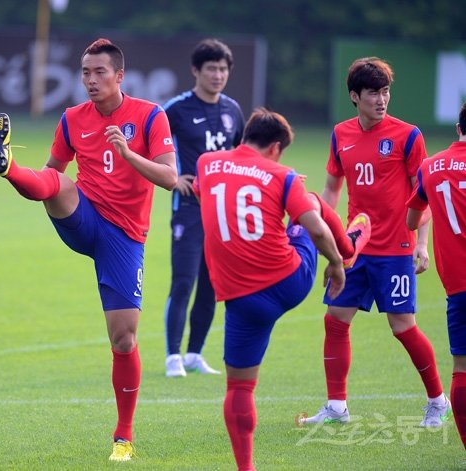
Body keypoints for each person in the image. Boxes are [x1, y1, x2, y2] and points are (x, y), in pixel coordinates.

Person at [0, 38, 177, 462]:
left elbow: (169, 177)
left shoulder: (150, 117)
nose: (90, 81)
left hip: (124, 238)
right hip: (83, 217)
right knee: (58, 183)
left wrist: (128, 153)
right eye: (85, 73)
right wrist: (22, 175)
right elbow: (50, 175)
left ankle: (123, 438)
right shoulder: (73, 118)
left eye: (99, 73)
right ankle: (6, 166)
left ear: (119, 76)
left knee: (124, 339)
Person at [192, 107, 371, 471]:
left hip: (240, 299)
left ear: (244, 136)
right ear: (275, 147)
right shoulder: (283, 175)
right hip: (289, 281)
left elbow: (206, 196)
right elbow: (317, 232)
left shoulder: (207, 164)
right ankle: (351, 245)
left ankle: (246, 467)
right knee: (312, 205)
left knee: (239, 390)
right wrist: (337, 265)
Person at [302, 56, 451, 426]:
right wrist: (327, 229)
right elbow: (333, 189)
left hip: (397, 248)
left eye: (385, 92)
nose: (381, 100)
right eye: (373, 93)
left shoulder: (408, 135)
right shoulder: (341, 134)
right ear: (355, 96)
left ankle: (438, 400)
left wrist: (421, 244)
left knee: (403, 326)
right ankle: (336, 407)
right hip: (355, 248)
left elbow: (425, 195)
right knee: (335, 320)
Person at [163, 38, 245, 377]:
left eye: (223, 69)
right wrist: (172, 178)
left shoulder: (232, 110)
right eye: (211, 68)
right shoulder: (176, 110)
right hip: (188, 209)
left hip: (222, 211)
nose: (218, 74)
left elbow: (242, 155)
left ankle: (195, 354)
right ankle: (173, 357)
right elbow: (152, 148)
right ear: (196, 71)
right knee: (183, 282)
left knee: (214, 284)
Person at [407, 101, 466, 449]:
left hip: (458, 284)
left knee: (461, 368)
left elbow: (413, 218)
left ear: (459, 128)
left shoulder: (432, 166)